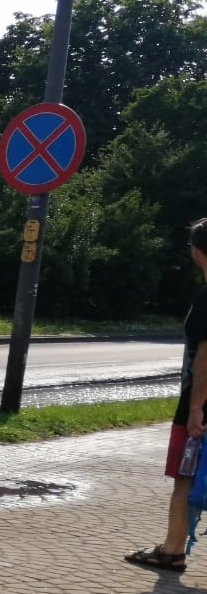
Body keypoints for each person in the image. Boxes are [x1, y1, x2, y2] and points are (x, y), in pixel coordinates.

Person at [124, 217, 207, 573]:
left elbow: (205, 358)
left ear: (197, 251)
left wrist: (195, 409)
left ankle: (172, 550)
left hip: (201, 402)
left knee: (185, 474)